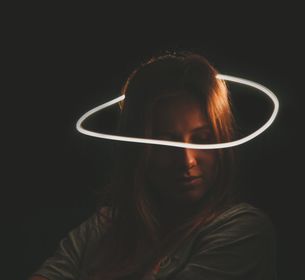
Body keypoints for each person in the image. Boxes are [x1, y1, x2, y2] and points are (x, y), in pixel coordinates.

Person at [29, 51, 277, 280]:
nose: (187, 160)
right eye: (166, 144)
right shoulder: (107, 225)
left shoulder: (243, 231)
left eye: (202, 139)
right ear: (139, 151)